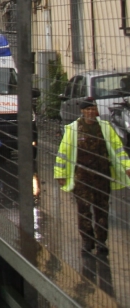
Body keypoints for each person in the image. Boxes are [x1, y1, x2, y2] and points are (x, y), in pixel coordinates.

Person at [55, 97, 130, 292]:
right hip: (81, 177)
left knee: (102, 210)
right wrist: (60, 174)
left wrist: (127, 166)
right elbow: (63, 153)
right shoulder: (72, 129)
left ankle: (101, 242)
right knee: (83, 210)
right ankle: (87, 241)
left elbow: (118, 149)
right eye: (87, 109)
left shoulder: (105, 127)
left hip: (101, 176)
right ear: (82, 111)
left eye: (93, 109)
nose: (90, 112)